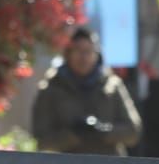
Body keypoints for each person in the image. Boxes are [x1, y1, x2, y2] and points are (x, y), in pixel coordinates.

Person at [33, 26, 142, 155]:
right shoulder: (51, 88)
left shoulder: (112, 85)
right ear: (68, 54)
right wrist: (73, 135)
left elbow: (133, 132)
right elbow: (41, 140)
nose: (83, 57)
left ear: (97, 55)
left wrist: (103, 130)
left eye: (88, 51)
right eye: (78, 51)